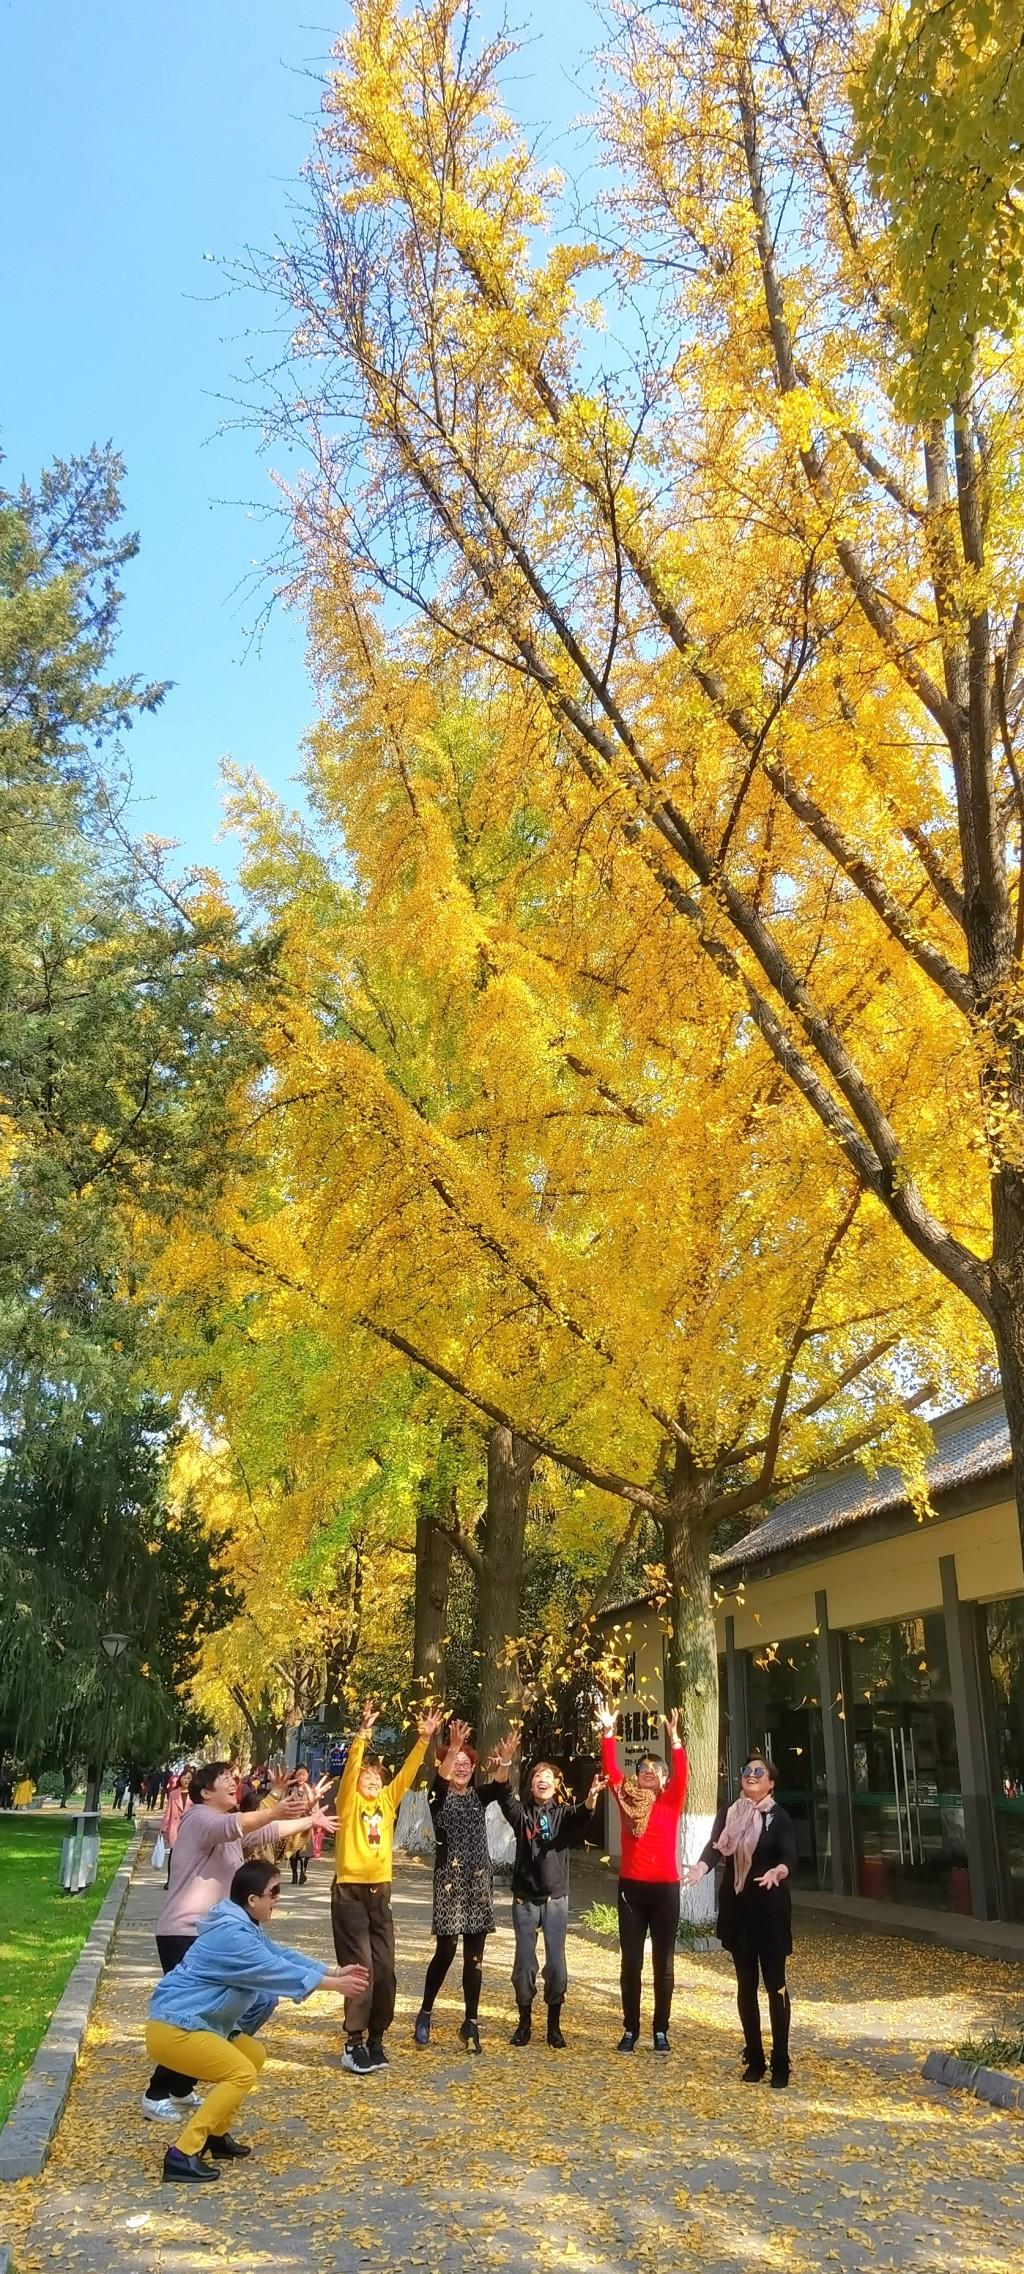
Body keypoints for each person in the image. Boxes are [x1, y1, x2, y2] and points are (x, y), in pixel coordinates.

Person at [145, 1858, 370, 2183]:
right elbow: (274, 1970)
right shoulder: (233, 1936)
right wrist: (334, 1986)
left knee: (253, 2055)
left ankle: (216, 2135)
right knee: (240, 2072)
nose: (277, 1899)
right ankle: (183, 2153)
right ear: (253, 1900)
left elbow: (281, 1955)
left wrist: (332, 1972)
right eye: (273, 1892)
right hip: (175, 2028)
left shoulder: (242, 1925)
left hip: (195, 2023)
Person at [141, 1759, 335, 2120]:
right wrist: (275, 1805)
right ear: (204, 1792)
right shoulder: (199, 1819)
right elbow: (240, 1823)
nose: (234, 1784)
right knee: (192, 2016)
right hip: (185, 1930)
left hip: (216, 1935)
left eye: (234, 1779)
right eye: (225, 1780)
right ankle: (158, 2091)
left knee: (256, 2002)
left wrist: (309, 1820)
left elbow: (263, 1832)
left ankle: (184, 2085)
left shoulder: (225, 1830)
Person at [331, 1699, 442, 2076]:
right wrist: (362, 1735)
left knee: (385, 1968)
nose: (373, 1780)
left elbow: (409, 1774)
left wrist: (424, 1740)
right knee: (360, 1966)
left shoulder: (388, 1801)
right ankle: (353, 2042)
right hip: (350, 1891)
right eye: (367, 1777)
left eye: (377, 1776)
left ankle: (378, 2036)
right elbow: (349, 1772)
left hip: (381, 1892)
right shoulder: (348, 1804)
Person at [682, 1751, 796, 2089]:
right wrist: (701, 1868)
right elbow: (715, 1846)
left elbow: (790, 1856)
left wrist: (779, 1870)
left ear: (771, 1783)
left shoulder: (779, 1817)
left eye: (759, 1772)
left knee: (775, 1984)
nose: (751, 1775)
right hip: (739, 1909)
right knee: (745, 1985)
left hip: (770, 1910)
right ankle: (756, 2057)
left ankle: (781, 2060)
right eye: (747, 1770)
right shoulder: (730, 1813)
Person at [490, 1735, 604, 2048]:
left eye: (549, 1778)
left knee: (556, 1964)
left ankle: (554, 2024)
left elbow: (583, 1814)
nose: (543, 1780)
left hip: (556, 1899)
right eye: (538, 1776)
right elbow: (502, 1794)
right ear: (531, 1785)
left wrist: (592, 1797)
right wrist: (505, 1761)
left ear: (556, 1786)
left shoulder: (563, 1814)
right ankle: (524, 2021)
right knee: (524, 1964)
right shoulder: (522, 1813)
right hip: (525, 1898)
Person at [598, 1698, 688, 2053]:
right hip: (632, 1890)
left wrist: (675, 1741)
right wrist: (609, 1732)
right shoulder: (625, 1798)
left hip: (665, 1890)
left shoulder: (671, 1801)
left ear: (664, 1779)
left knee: (663, 1964)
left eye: (656, 1769)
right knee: (631, 1961)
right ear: (636, 1777)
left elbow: (683, 1775)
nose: (648, 1772)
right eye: (643, 1769)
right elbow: (611, 1769)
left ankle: (661, 2029)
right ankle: (631, 2029)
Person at [413, 1719, 505, 2055]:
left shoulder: (479, 1797)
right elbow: (439, 1781)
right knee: (447, 1949)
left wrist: (506, 1761)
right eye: (456, 1764)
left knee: (475, 1956)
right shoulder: (437, 1796)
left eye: (467, 1764)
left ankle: (471, 2023)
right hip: (450, 1884)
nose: (461, 1769)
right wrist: (452, 1748)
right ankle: (424, 2013)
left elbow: (500, 1786)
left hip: (478, 1883)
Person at [159, 1769, 193, 1886]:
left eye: (189, 1778)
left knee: (187, 1856)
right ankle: (170, 1880)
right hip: (175, 1827)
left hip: (189, 1829)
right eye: (184, 1778)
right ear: (180, 1779)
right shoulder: (174, 1794)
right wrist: (164, 1826)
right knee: (173, 1855)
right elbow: (168, 1811)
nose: (186, 1780)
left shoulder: (194, 1794)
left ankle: (184, 1881)